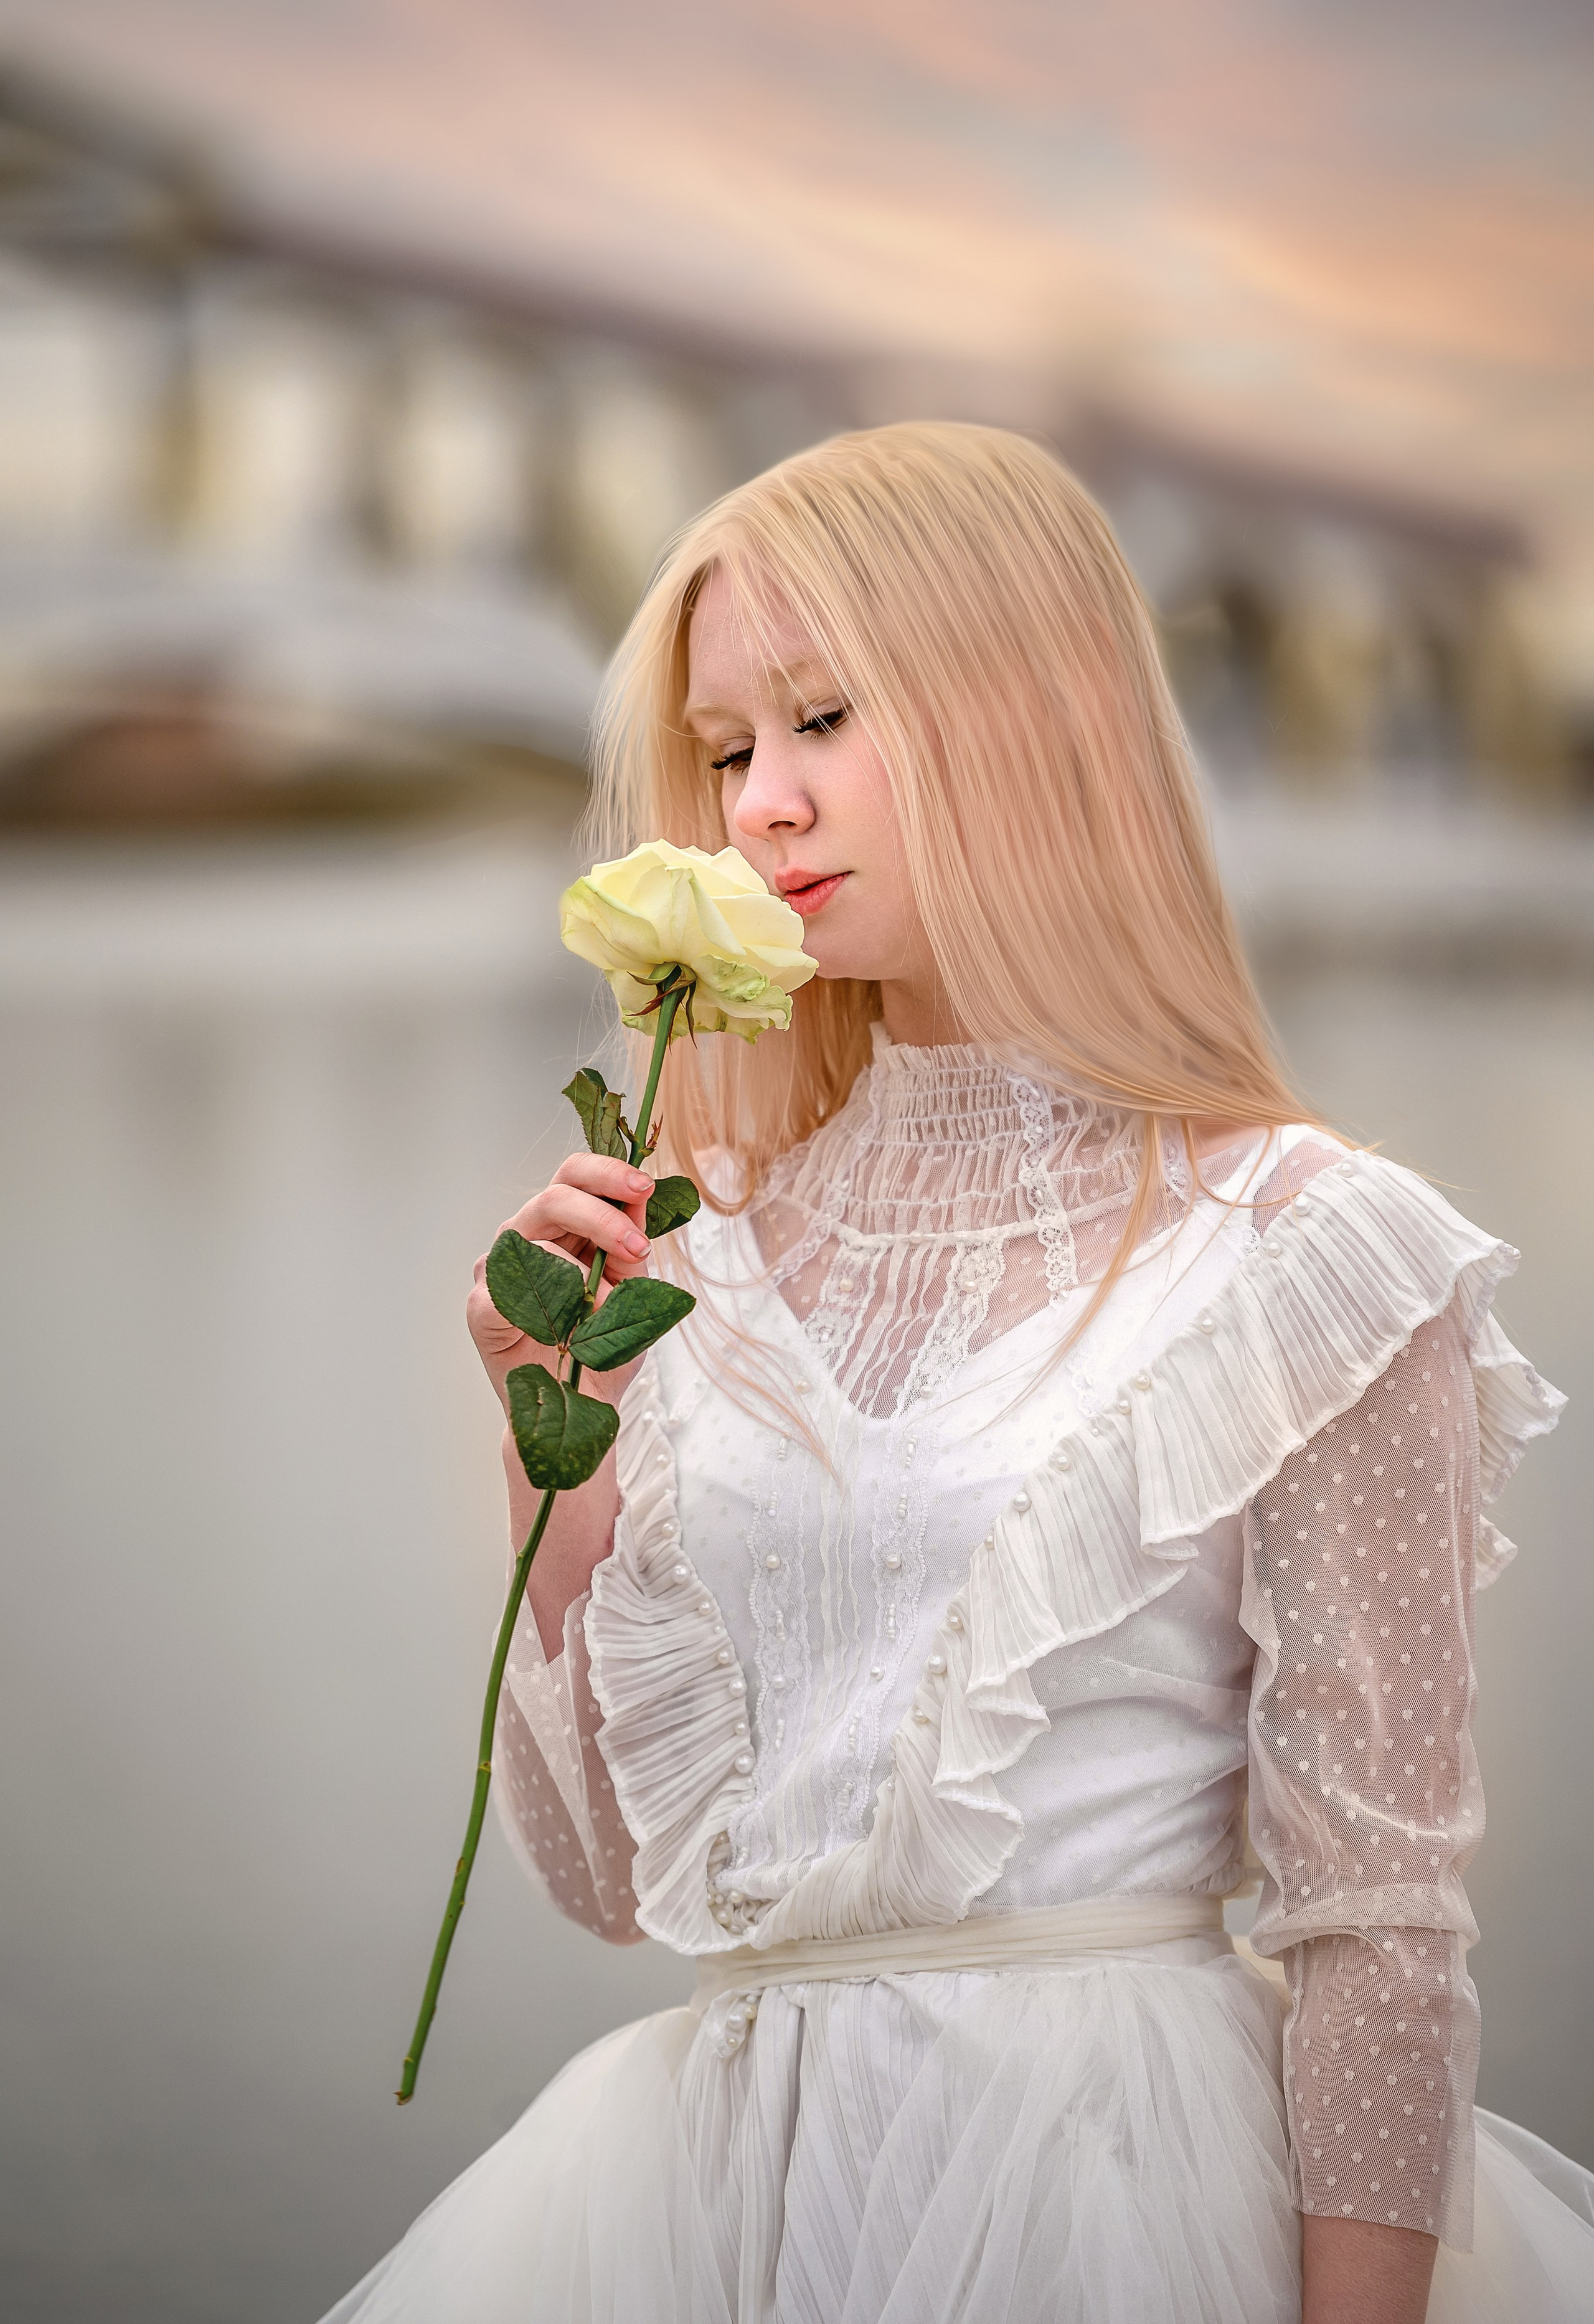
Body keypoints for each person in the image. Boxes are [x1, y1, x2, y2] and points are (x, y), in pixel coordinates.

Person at [323, 425, 1594, 2323]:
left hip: (1117, 2204)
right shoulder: (704, 1241)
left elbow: (1378, 1926)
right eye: (733, 748)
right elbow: (610, 1883)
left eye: (826, 718)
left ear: (1040, 714)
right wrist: (549, 1452)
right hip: (719, 2211)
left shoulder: (1314, 1254)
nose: (760, 806)